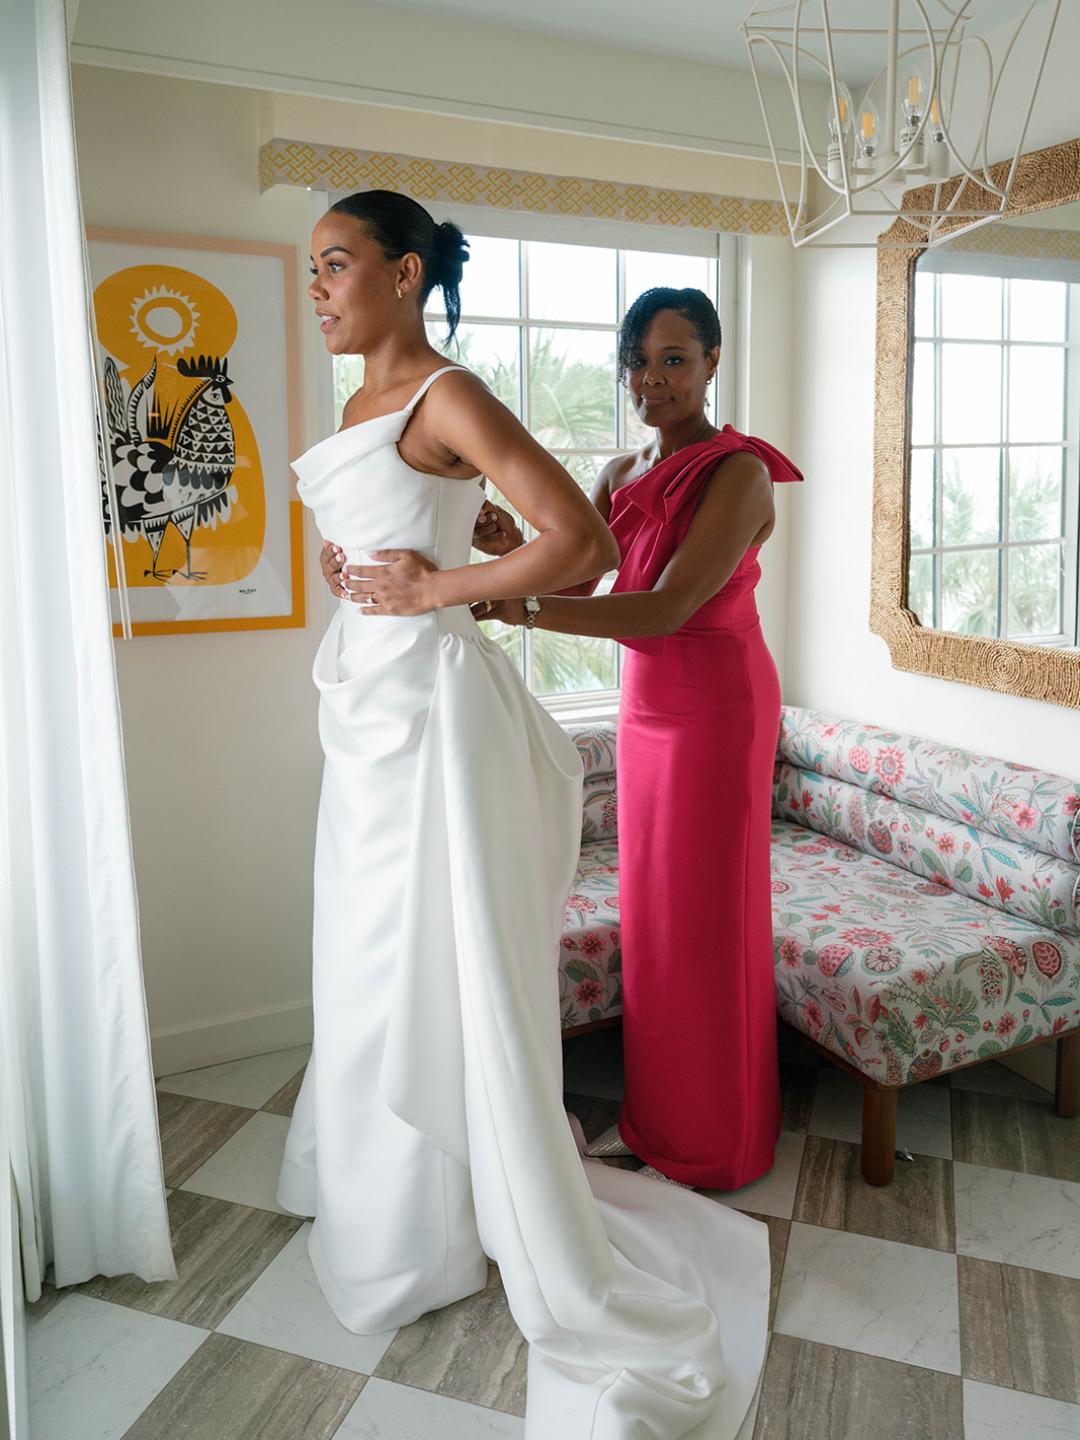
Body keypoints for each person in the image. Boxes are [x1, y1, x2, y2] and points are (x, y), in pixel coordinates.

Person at [280, 192, 769, 1439]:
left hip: (437, 714)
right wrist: (374, 568)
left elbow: (582, 540)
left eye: (337, 266)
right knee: (367, 956)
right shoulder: (357, 406)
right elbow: (413, 535)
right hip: (368, 706)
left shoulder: (450, 392)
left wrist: (444, 582)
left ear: (402, 273)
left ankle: (451, 1219)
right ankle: (404, 1208)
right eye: (313, 269)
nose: (319, 287)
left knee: (431, 958)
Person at [323, 285, 801, 1192]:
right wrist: (504, 547)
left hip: (718, 706)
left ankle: (719, 1140)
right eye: (639, 360)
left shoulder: (738, 471)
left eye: (675, 360)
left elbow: (663, 608)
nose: (653, 379)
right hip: (648, 709)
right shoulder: (622, 472)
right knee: (653, 920)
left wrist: (498, 597)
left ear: (712, 364)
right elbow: (583, 579)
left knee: (707, 917)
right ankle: (656, 1120)